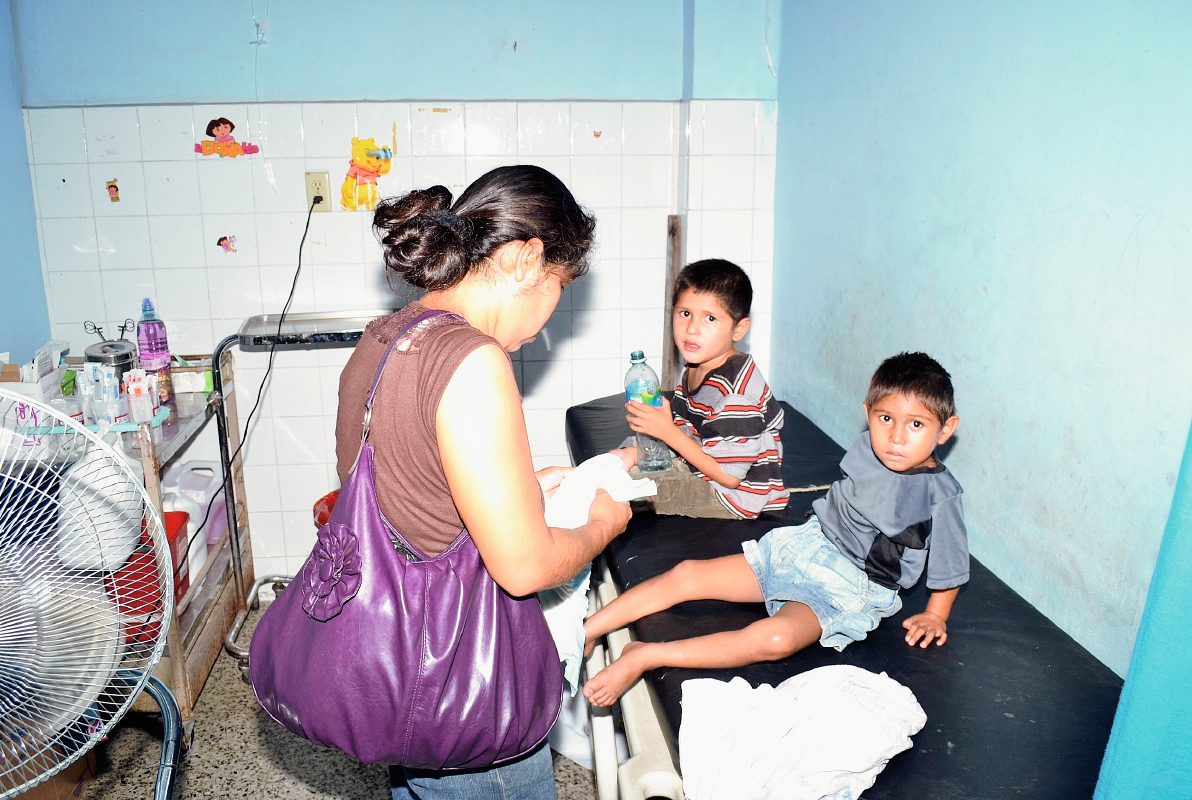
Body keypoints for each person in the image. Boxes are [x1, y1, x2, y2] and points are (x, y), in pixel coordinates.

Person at [334, 166, 632, 799]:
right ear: (527, 260)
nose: (549, 318)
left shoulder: (385, 336)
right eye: (560, 286)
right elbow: (524, 569)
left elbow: (411, 496)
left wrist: (522, 488)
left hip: (399, 670)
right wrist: (601, 524)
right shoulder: (474, 360)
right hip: (466, 685)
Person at [583, 352, 967, 707]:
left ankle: (645, 656)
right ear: (868, 414)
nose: (897, 437)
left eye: (916, 425)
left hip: (850, 587)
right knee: (687, 575)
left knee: (777, 638)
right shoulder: (868, 445)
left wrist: (935, 615)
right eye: (886, 419)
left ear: (945, 429)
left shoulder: (941, 494)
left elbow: (949, 565)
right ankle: (587, 629)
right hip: (805, 544)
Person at [616, 259, 790, 519]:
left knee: (620, 490)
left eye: (710, 318)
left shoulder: (735, 395)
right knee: (616, 461)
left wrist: (668, 432)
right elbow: (688, 430)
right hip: (699, 467)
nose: (692, 329)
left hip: (733, 497)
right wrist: (651, 435)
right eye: (685, 313)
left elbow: (730, 477)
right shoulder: (698, 366)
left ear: (738, 329)